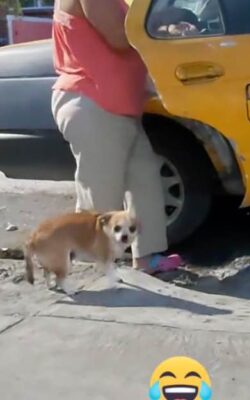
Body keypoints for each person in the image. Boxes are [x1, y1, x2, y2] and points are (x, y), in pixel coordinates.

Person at [51, 0, 182, 273]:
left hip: (121, 110)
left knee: (145, 181)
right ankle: (90, 269)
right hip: (93, 105)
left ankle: (146, 258)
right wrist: (162, 26)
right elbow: (118, 37)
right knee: (101, 195)